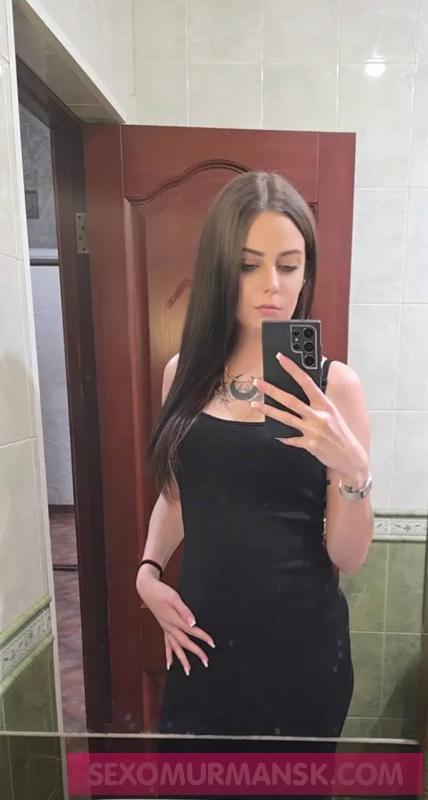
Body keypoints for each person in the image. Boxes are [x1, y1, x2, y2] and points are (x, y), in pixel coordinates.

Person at [136, 171, 374, 744]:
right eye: (248, 265)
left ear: (306, 272)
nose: (272, 285)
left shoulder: (335, 388)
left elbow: (348, 557)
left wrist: (353, 470)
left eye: (289, 266)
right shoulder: (183, 375)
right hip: (201, 646)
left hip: (302, 658)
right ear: (221, 269)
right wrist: (147, 573)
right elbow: (178, 498)